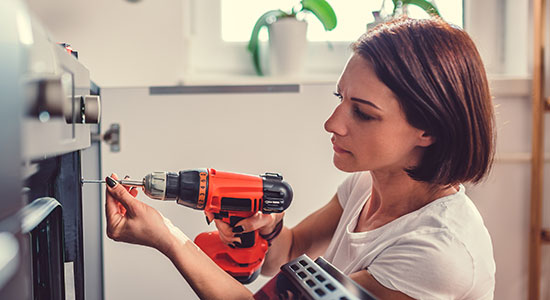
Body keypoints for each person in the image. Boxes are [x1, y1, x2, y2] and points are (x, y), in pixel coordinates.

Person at [105, 17, 496, 299]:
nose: (332, 123)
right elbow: (287, 254)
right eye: (339, 99)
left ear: (428, 129)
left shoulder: (437, 252)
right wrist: (270, 229)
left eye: (362, 112)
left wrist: (167, 238)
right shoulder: (365, 184)